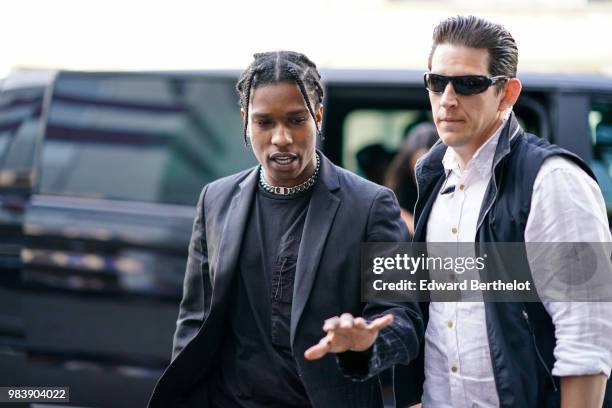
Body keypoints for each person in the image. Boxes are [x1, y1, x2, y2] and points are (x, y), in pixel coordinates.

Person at [147, 51, 423, 408]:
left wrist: (364, 342)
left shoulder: (371, 205)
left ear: (318, 117)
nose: (281, 137)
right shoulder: (215, 199)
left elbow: (404, 321)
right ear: (246, 121)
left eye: (296, 120)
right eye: (265, 122)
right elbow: (194, 323)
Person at [404, 15, 612, 407]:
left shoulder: (552, 180)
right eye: (436, 82)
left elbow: (587, 334)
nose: (447, 98)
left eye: (468, 84)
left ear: (507, 93)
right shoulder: (433, 177)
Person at [384, 122, 439, 235]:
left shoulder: (448, 183)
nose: (421, 172)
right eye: (417, 165)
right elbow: (390, 208)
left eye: (428, 167)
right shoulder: (398, 185)